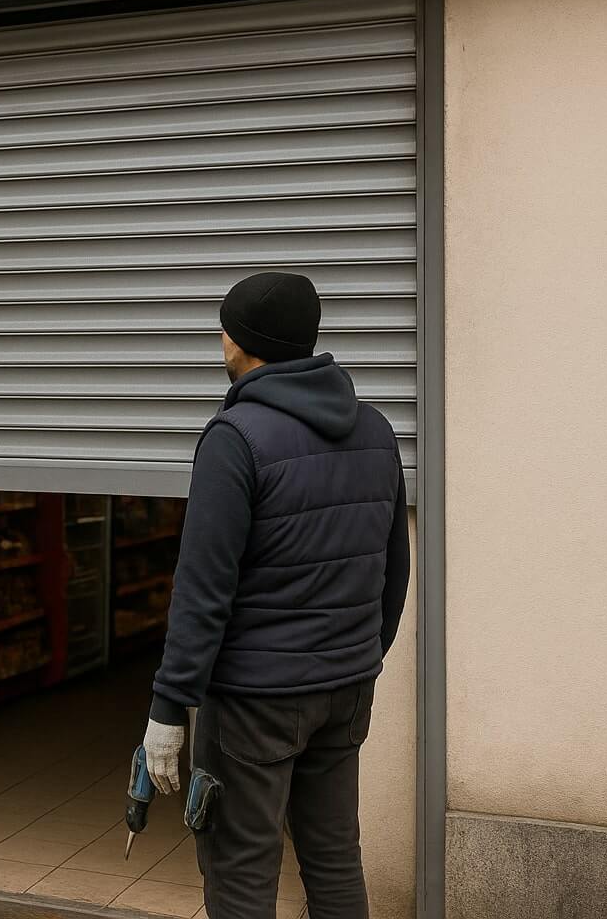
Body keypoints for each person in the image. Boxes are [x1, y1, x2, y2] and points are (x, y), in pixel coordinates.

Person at [143, 272, 410, 919]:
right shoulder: (376, 431)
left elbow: (203, 588)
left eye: (224, 329)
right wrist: (356, 657)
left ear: (241, 343)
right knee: (335, 859)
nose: (221, 340)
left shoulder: (235, 439)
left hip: (255, 700)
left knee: (241, 869)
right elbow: (394, 572)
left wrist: (169, 706)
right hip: (346, 688)